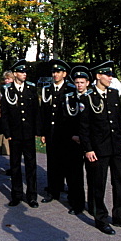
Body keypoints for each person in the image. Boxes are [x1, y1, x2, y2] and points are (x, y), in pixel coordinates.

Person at [79, 61, 121, 234]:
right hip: (98, 149)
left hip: (115, 146)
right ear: (98, 76)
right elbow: (84, 127)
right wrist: (88, 149)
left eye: (111, 74)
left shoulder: (112, 94)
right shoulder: (87, 98)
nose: (111, 77)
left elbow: (119, 119)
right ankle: (101, 219)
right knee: (99, 184)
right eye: (107, 74)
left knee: (120, 182)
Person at [0, 60, 41, 208]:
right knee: (15, 165)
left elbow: (36, 111)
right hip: (14, 134)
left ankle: (32, 196)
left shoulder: (31, 88)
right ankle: (16, 195)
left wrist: (37, 131)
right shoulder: (7, 89)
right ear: (15, 73)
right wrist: (7, 133)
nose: (24, 74)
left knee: (31, 166)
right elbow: (4, 113)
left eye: (25, 72)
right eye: (21, 72)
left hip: (28, 133)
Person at [40, 60, 76, 204]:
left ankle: (70, 193)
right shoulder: (47, 89)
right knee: (52, 162)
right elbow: (44, 112)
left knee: (68, 164)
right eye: (54, 72)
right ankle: (53, 190)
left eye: (58, 72)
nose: (55, 75)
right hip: (52, 132)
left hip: (66, 133)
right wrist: (43, 132)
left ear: (64, 74)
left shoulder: (70, 89)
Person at [61, 66, 91, 215]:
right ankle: (77, 204)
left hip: (90, 143)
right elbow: (65, 120)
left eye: (82, 82)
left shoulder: (93, 98)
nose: (79, 85)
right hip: (74, 141)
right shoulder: (69, 98)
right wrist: (73, 135)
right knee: (75, 175)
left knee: (93, 176)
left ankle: (93, 205)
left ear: (88, 83)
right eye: (77, 82)